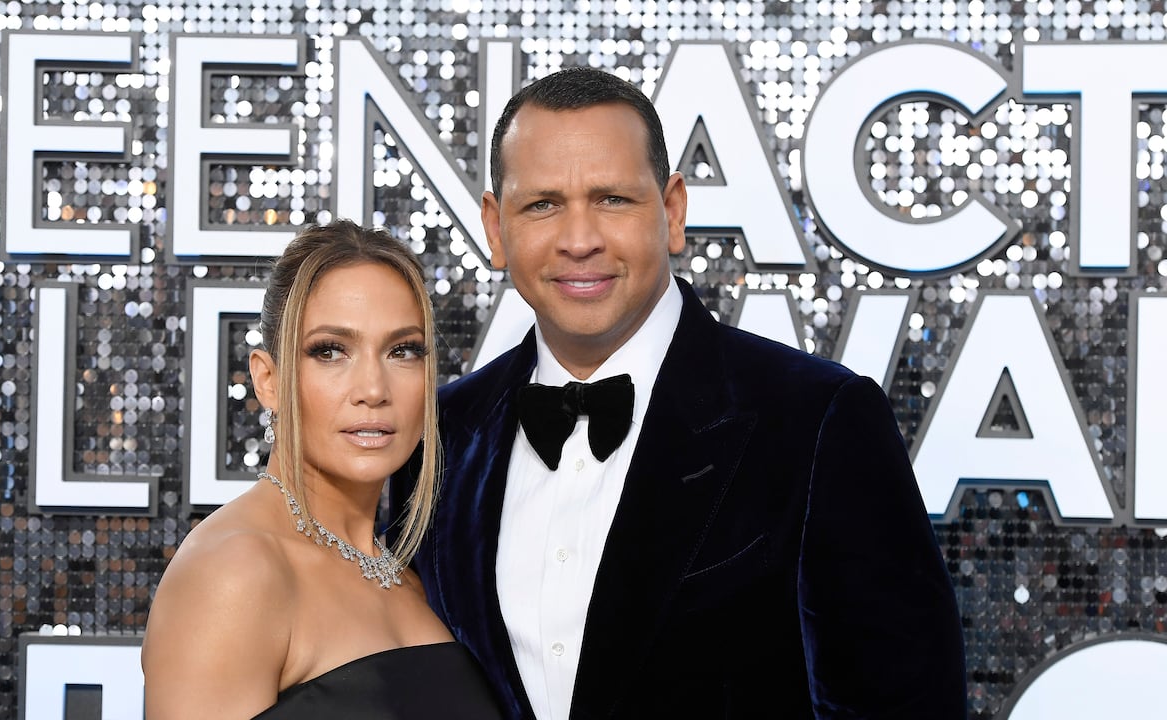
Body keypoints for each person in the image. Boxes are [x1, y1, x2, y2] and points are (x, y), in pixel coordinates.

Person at [390, 68, 967, 718]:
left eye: (612, 199)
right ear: (497, 229)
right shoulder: (437, 436)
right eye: (543, 204)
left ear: (672, 212)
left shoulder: (818, 421)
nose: (580, 240)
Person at [142, 220, 503, 719]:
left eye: (402, 351)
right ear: (268, 380)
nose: (373, 389)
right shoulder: (235, 573)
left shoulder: (418, 577)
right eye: (330, 351)